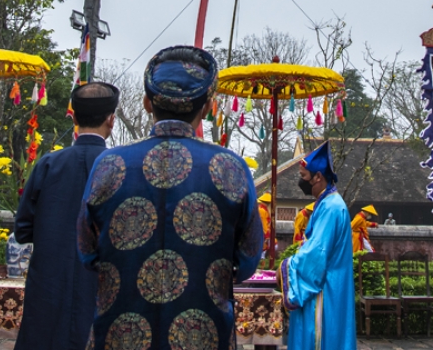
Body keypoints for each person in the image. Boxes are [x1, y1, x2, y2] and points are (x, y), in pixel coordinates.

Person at [78, 46, 263, 350]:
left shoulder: (109, 165)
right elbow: (247, 260)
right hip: (203, 337)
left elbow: (87, 252)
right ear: (206, 107)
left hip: (120, 336)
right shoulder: (231, 168)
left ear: (147, 103)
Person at [13, 81, 119, 350]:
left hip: (49, 283)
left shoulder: (48, 164)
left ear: (74, 117)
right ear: (111, 120)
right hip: (101, 284)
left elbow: (23, 229)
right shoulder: (120, 167)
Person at [279, 141, 356, 350]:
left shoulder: (331, 207)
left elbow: (316, 254)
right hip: (332, 286)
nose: (301, 183)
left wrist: (286, 267)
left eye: (304, 177)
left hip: (324, 291)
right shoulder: (328, 203)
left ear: (318, 177)